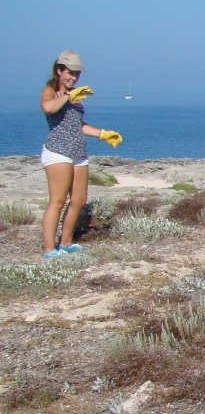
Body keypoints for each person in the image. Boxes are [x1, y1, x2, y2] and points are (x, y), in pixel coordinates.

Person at [39, 50, 122, 259]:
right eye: (70, 72)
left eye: (76, 74)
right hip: (58, 152)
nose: (73, 77)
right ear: (59, 70)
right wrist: (68, 96)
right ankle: (50, 250)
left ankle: (66, 243)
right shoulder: (51, 90)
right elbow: (48, 108)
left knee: (79, 199)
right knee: (57, 201)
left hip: (78, 152)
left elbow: (78, 126)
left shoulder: (78, 94)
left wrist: (103, 134)